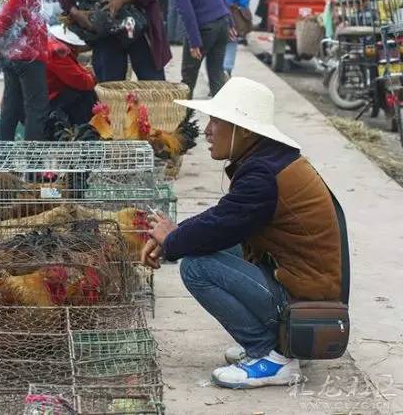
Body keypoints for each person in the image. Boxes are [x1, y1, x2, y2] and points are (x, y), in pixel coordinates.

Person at [142, 77, 343, 389]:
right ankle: (280, 343)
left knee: (196, 267)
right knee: (204, 246)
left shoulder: (262, 174)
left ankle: (272, 356)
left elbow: (222, 222)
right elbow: (222, 223)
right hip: (298, 284)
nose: (208, 131)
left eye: (216, 122)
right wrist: (173, 238)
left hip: (303, 297)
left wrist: (171, 240)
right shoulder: (268, 159)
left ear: (245, 130)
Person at [58, 0, 171, 82]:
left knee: (153, 87)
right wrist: (74, 12)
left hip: (140, 22)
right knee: (108, 90)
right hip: (103, 29)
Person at [0, 0, 50, 141]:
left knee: (11, 106)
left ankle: (2, 158)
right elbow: (16, 2)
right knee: (36, 109)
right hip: (28, 50)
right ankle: (33, 163)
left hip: (9, 50)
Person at [169, 0, 233, 98]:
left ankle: (185, 114)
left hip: (204, 27)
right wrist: (230, 21)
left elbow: (185, 9)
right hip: (222, 21)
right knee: (217, 75)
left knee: (188, 80)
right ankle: (219, 115)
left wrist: (194, 41)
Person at [46, 25, 97, 125]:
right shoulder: (58, 53)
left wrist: (86, 73)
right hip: (51, 99)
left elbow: (76, 71)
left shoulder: (52, 44)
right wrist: (92, 77)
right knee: (85, 94)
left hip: (49, 93)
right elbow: (82, 82)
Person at [222, 0, 250, 78]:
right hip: (231, 10)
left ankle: (216, 74)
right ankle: (226, 70)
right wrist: (244, 7)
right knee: (231, 40)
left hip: (213, 11)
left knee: (215, 44)